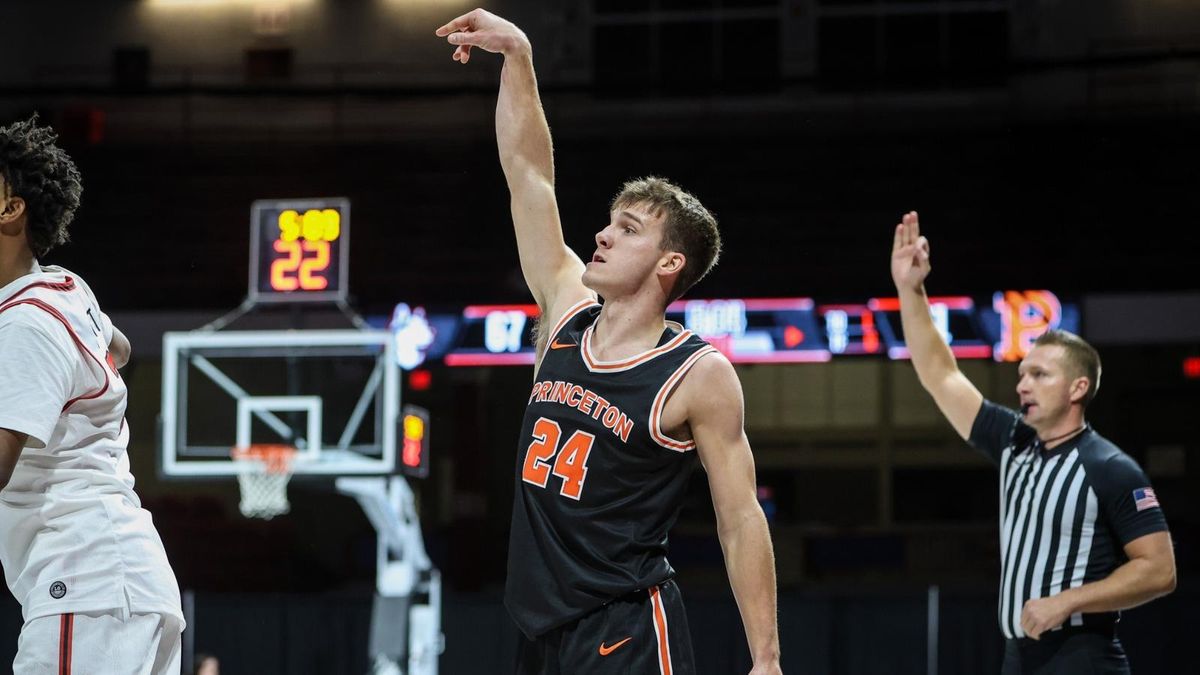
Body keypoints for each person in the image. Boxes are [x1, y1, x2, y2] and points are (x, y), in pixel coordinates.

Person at [436, 11, 781, 675]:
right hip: (537, 622)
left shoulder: (697, 374)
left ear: (669, 263)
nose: (602, 235)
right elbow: (527, 173)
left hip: (626, 627)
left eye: (626, 229)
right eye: (609, 223)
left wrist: (765, 656)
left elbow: (739, 518)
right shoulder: (567, 307)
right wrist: (520, 58)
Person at [890, 211, 1175, 673]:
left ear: (1078, 388)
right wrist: (910, 289)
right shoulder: (1012, 441)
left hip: (1082, 656)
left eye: (1040, 375)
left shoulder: (1110, 467)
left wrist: (1068, 601)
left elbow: (1160, 571)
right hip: (1018, 656)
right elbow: (939, 375)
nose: (1022, 385)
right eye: (1022, 374)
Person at [0, 116, 184, 673]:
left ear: (10, 208)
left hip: (84, 580)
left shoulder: (27, 323)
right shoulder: (63, 288)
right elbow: (117, 348)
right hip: (123, 587)